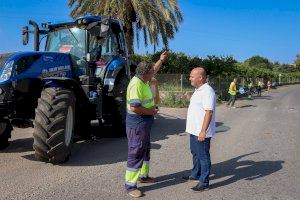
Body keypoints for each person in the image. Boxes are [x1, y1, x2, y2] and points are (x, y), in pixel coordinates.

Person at [124, 51, 168, 198]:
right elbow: (134, 108)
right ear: (145, 74)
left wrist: (160, 60)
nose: (153, 74)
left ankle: (144, 176)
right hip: (137, 124)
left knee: (145, 150)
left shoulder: (144, 79)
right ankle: (130, 185)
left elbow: (153, 69)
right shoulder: (136, 84)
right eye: (151, 73)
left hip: (144, 123)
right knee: (136, 152)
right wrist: (152, 112)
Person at [183, 67, 216, 192]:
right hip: (193, 130)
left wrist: (203, 131)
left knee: (203, 156)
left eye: (191, 76)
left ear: (200, 78)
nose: (189, 78)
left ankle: (204, 182)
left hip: (201, 132)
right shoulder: (198, 90)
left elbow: (209, 112)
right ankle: (195, 174)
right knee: (195, 153)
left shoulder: (207, 91)